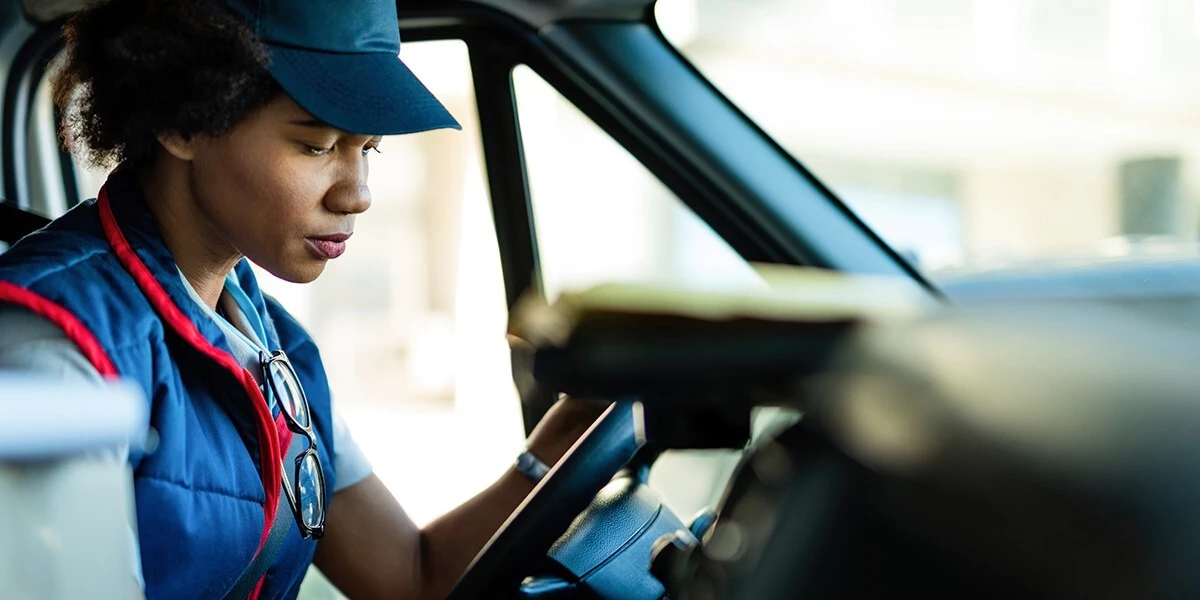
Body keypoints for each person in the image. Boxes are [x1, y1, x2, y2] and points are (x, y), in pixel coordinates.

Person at [0, 0, 604, 598]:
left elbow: (410, 576)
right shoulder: (52, 349)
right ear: (182, 122)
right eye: (316, 146)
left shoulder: (276, 345)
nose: (358, 194)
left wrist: (573, 428)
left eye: (366, 149)